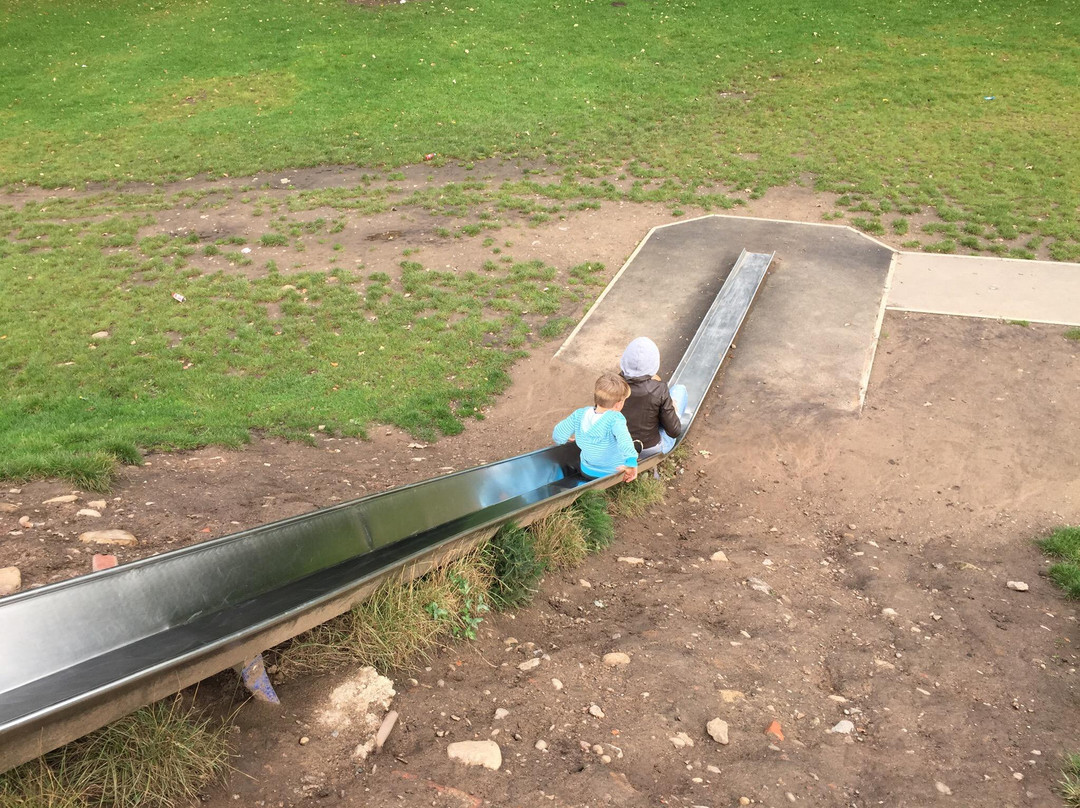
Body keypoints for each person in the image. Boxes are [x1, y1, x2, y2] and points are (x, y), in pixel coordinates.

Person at [552, 373, 639, 482]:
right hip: (612, 472)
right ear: (618, 404)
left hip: (587, 470)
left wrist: (564, 439)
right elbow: (625, 441)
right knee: (633, 446)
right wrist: (631, 462)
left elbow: (558, 434)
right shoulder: (615, 419)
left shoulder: (579, 414)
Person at [619, 336, 688, 460]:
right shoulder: (659, 389)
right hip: (650, 451)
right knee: (680, 390)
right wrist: (671, 406)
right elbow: (674, 431)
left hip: (619, 448)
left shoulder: (612, 385)